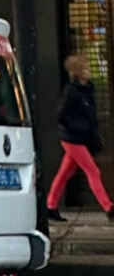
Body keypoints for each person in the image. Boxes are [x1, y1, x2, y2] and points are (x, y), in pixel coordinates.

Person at [47, 55, 112, 222]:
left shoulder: (88, 90)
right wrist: (77, 128)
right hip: (72, 139)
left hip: (79, 138)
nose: (89, 71)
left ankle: (51, 205)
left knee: (65, 173)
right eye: (86, 68)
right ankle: (108, 207)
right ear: (78, 72)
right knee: (92, 171)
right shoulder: (72, 91)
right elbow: (61, 115)